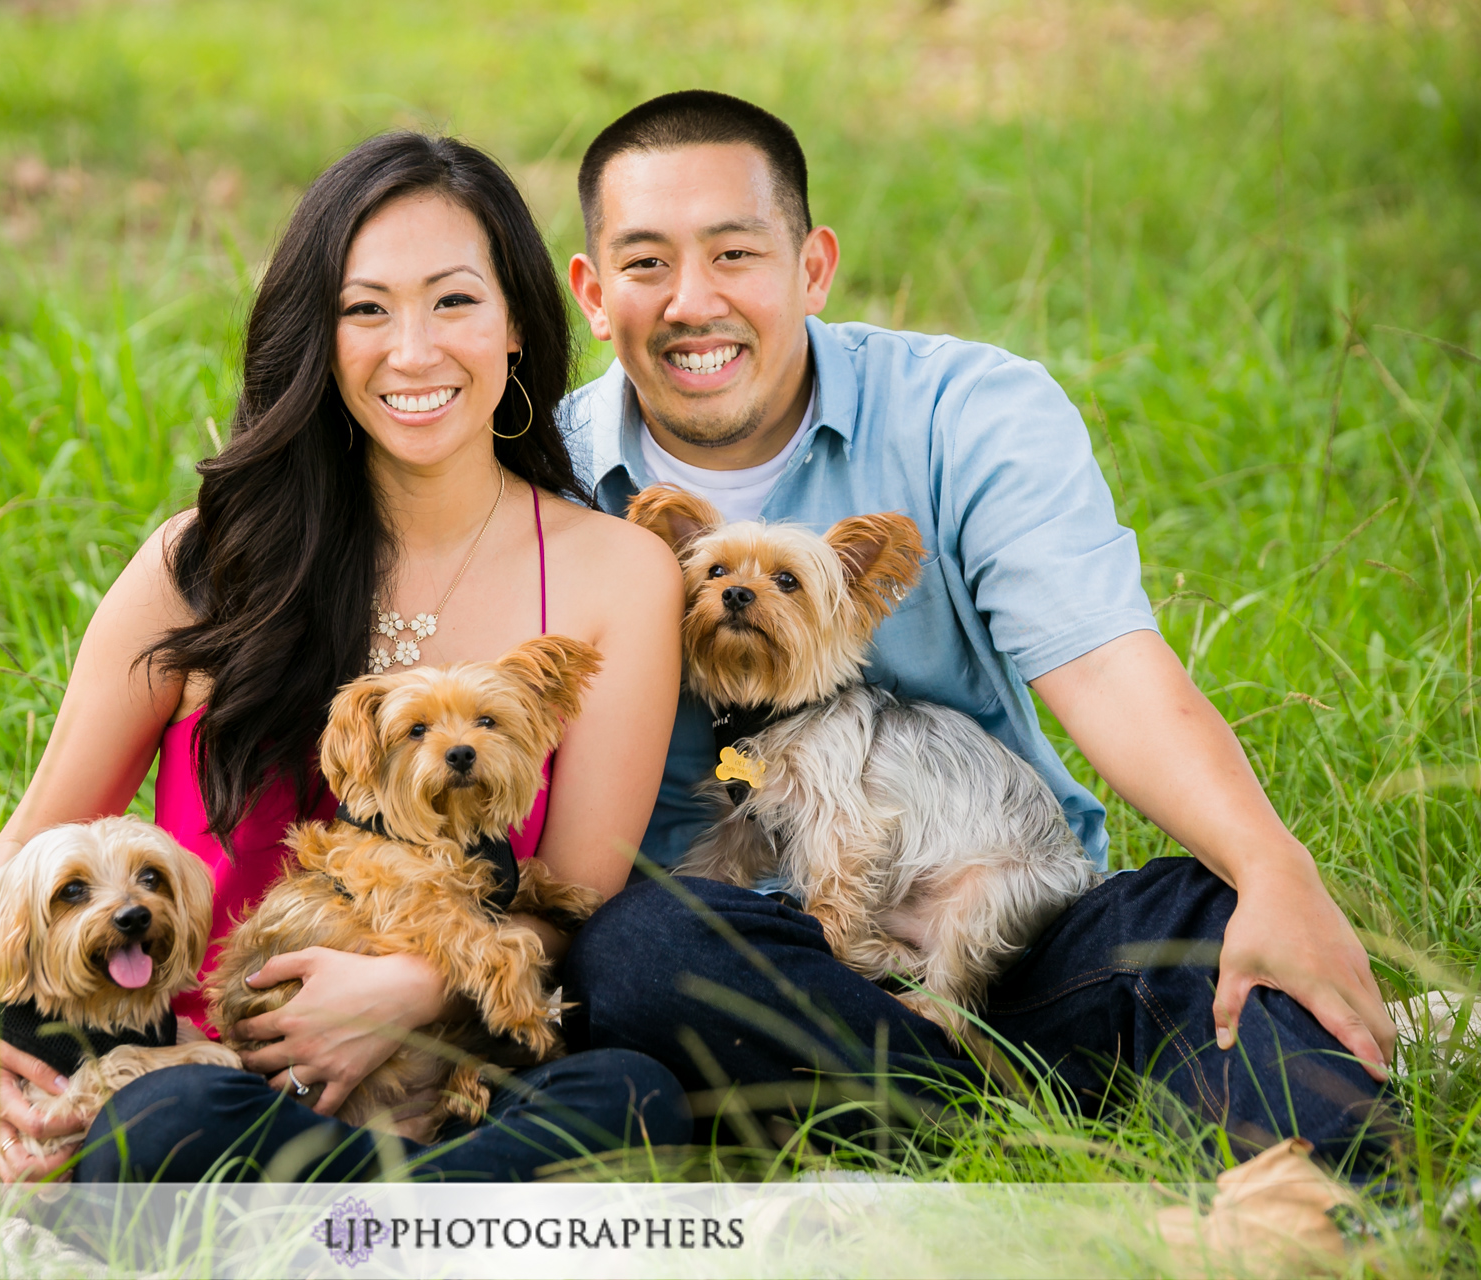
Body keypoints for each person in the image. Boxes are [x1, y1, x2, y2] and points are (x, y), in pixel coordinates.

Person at [557, 91, 1397, 1172]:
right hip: (729, 968)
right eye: (644, 264)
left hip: (1003, 950)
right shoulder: (551, 470)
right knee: (638, 949)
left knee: (1198, 912)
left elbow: (1106, 667)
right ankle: (1004, 1116)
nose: (692, 302)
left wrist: (1276, 866)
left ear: (812, 267)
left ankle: (1324, 1196)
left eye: (734, 253)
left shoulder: (969, 409)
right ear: (590, 292)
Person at [0, 132, 690, 1185]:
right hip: (213, 1068)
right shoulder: (205, 561)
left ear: (516, 324)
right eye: (365, 309)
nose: (411, 351)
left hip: (451, 1070)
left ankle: (365, 1218)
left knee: (630, 1093)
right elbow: (41, 826)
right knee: (168, 1117)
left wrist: (413, 991)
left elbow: (575, 907)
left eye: (453, 301)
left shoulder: (618, 574)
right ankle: (440, 1225)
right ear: (315, 339)